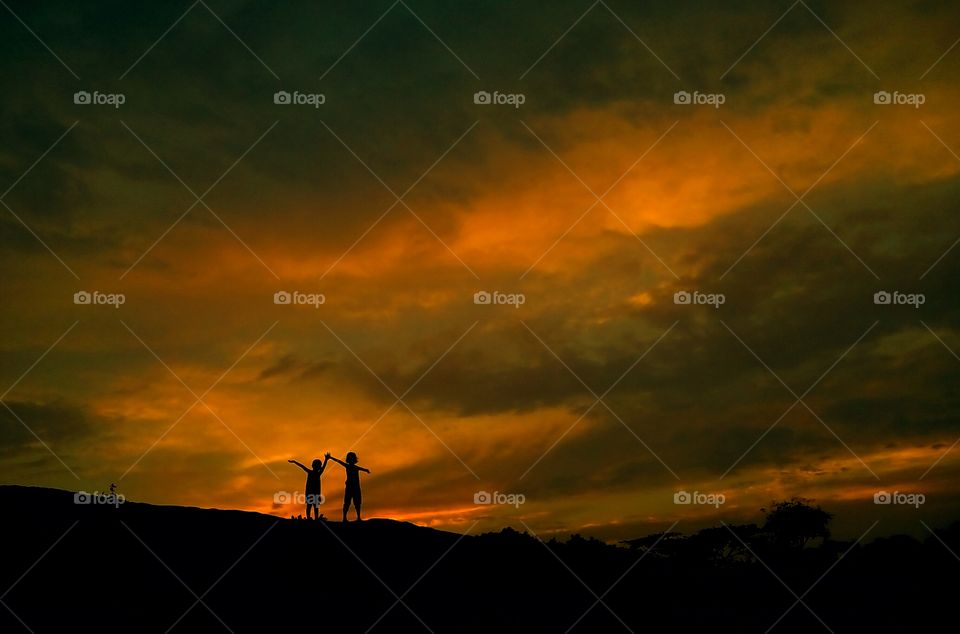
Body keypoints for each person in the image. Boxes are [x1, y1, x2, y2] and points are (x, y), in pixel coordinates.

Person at [326, 451, 370, 522]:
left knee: (357, 502)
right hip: (350, 487)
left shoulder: (355, 467)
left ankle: (357, 517)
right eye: (351, 458)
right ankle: (345, 518)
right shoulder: (348, 466)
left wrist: (366, 470)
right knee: (348, 502)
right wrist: (330, 457)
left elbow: (362, 469)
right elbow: (339, 461)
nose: (352, 460)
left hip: (355, 487)